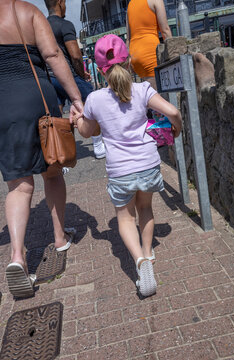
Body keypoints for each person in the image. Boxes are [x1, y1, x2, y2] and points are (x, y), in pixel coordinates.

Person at [74, 34, 182, 297]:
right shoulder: (143, 90)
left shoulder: (95, 99)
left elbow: (87, 132)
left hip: (120, 171)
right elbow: (173, 112)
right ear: (129, 61)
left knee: (125, 217)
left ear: (100, 69)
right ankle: (148, 252)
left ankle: (139, 261)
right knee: (145, 208)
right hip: (147, 164)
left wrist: (77, 119)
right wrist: (176, 131)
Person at [0, 0, 84, 298]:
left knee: (18, 187)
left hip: (3, 108)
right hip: (36, 98)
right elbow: (52, 54)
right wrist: (76, 99)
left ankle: (17, 258)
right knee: (52, 171)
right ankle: (60, 238)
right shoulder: (27, 11)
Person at [44, 0, 105, 159]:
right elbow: (76, 56)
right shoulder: (65, 25)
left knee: (56, 118)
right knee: (90, 107)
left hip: (50, 78)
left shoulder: (41, 25)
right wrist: (82, 74)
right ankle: (98, 145)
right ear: (60, 2)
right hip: (69, 76)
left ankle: (62, 154)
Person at [126, 0, 172, 89]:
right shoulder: (156, 1)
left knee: (146, 94)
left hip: (135, 55)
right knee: (157, 95)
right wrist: (173, 55)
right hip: (150, 52)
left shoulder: (130, 4)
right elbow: (165, 30)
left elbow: (128, 38)